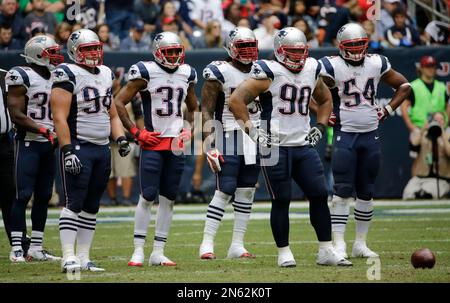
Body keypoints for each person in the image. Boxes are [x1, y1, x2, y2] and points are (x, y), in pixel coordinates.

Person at [229, 27, 351, 267]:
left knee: (318, 194)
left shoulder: (311, 68)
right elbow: (235, 100)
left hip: (303, 144)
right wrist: (252, 131)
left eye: (300, 52)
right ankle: (284, 252)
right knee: (281, 199)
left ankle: (326, 250)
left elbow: (325, 99)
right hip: (275, 146)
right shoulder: (268, 71)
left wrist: (320, 125)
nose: (297, 57)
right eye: (291, 52)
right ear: (279, 51)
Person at [319, 23, 411, 258]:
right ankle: (339, 243)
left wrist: (388, 109)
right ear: (341, 47)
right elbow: (305, 90)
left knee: (366, 191)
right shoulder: (330, 65)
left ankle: (360, 243)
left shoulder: (376, 62)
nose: (357, 50)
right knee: (342, 190)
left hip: (370, 133)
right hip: (345, 133)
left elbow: (404, 85)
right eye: (351, 46)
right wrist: (319, 112)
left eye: (360, 45)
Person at [114, 31, 199, 267]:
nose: (173, 56)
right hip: (153, 142)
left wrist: (189, 128)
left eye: (176, 51)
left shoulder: (187, 73)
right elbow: (119, 101)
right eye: (168, 51)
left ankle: (158, 251)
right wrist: (136, 132)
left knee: (169, 198)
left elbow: (193, 106)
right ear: (158, 52)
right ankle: (139, 250)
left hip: (175, 145)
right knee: (147, 195)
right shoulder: (145, 71)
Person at [50, 29, 131, 273]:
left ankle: (84, 257)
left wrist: (120, 137)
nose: (94, 53)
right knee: (74, 202)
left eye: (96, 48)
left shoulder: (106, 73)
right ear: (75, 52)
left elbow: (112, 112)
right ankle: (68, 256)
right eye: (87, 49)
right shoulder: (67, 73)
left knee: (92, 205)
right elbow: (59, 118)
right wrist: (67, 150)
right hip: (79, 145)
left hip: (101, 148)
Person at [199, 27, 260, 260]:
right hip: (227, 133)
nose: (247, 51)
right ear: (230, 48)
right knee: (224, 189)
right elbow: (205, 109)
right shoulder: (219, 71)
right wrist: (209, 144)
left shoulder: (261, 69)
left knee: (246, 191)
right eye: (241, 47)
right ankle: (206, 243)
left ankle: (237, 245)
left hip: (254, 134)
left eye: (250, 46)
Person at [6, 35, 63, 262]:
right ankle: (17, 247)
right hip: (28, 142)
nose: (56, 57)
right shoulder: (21, 75)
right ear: (38, 54)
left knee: (44, 195)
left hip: (49, 145)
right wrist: (42, 129)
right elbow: (16, 114)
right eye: (51, 53)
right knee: (23, 195)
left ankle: (36, 247)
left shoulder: (58, 76)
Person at [401, 55, 449, 175]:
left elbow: (448, 106)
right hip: (421, 128)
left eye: (432, 66)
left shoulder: (441, 86)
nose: (430, 69)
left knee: (445, 158)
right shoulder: (415, 86)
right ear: (421, 68)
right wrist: (412, 127)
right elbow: (403, 107)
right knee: (418, 159)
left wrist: (446, 123)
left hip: (439, 128)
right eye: (427, 66)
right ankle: (415, 189)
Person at [403, 111, 450, 199]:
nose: (438, 122)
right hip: (420, 178)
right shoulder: (423, 136)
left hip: (440, 179)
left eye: (441, 120)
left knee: (428, 193)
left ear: (445, 122)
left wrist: (442, 133)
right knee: (408, 193)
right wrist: (423, 130)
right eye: (436, 120)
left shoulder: (447, 136)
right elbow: (413, 147)